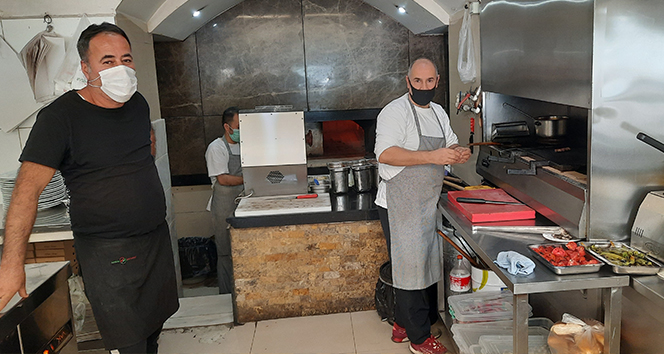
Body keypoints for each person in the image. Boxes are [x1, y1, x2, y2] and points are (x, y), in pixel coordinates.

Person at [0, 23, 179, 354]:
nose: (120, 69)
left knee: (154, 327)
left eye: (126, 59)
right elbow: (26, 191)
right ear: (86, 68)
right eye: (108, 61)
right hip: (108, 250)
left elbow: (145, 148)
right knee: (129, 342)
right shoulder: (60, 118)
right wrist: (12, 264)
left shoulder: (138, 104)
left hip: (154, 239)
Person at [374, 58, 471, 354]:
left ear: (437, 81)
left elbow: (450, 145)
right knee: (410, 268)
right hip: (399, 203)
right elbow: (386, 154)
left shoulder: (439, 112)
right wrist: (433, 156)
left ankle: (402, 325)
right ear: (408, 82)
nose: (424, 87)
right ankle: (418, 340)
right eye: (418, 82)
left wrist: (458, 152)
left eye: (429, 82)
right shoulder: (395, 112)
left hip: (426, 202)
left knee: (423, 263)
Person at [205, 107, 243, 294]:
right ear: (227, 127)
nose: (241, 130)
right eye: (238, 126)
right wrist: (251, 180)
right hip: (223, 205)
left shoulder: (246, 145)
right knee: (226, 252)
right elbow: (223, 179)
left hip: (242, 202)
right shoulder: (216, 148)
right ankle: (227, 294)